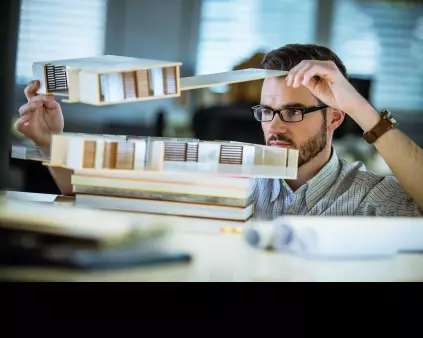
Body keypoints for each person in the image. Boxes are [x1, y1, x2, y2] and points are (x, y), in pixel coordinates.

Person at [15, 44, 423, 218]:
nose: (274, 126)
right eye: (267, 110)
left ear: (335, 117)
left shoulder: (373, 195)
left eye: (294, 112)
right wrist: (51, 142)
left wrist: (358, 105)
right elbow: (87, 193)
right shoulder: (230, 174)